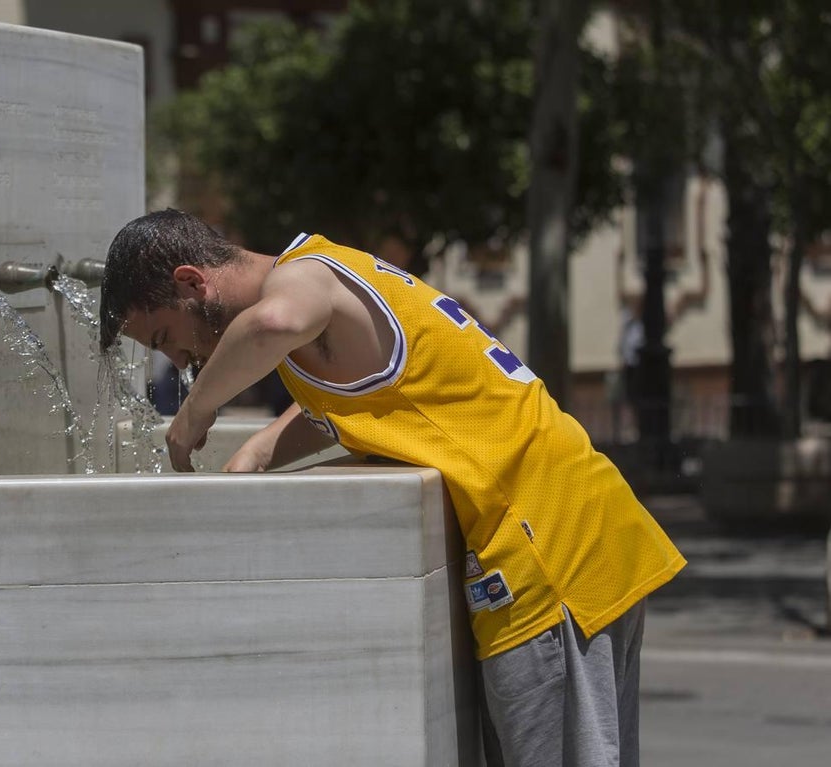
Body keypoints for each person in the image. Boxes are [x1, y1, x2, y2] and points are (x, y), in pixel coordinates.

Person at [98, 209, 686, 767]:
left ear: (191, 282)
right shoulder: (326, 283)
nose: (177, 359)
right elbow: (353, 400)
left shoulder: (303, 279)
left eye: (163, 337)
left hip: (548, 549)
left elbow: (271, 325)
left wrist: (195, 413)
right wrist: (255, 453)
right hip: (567, 531)